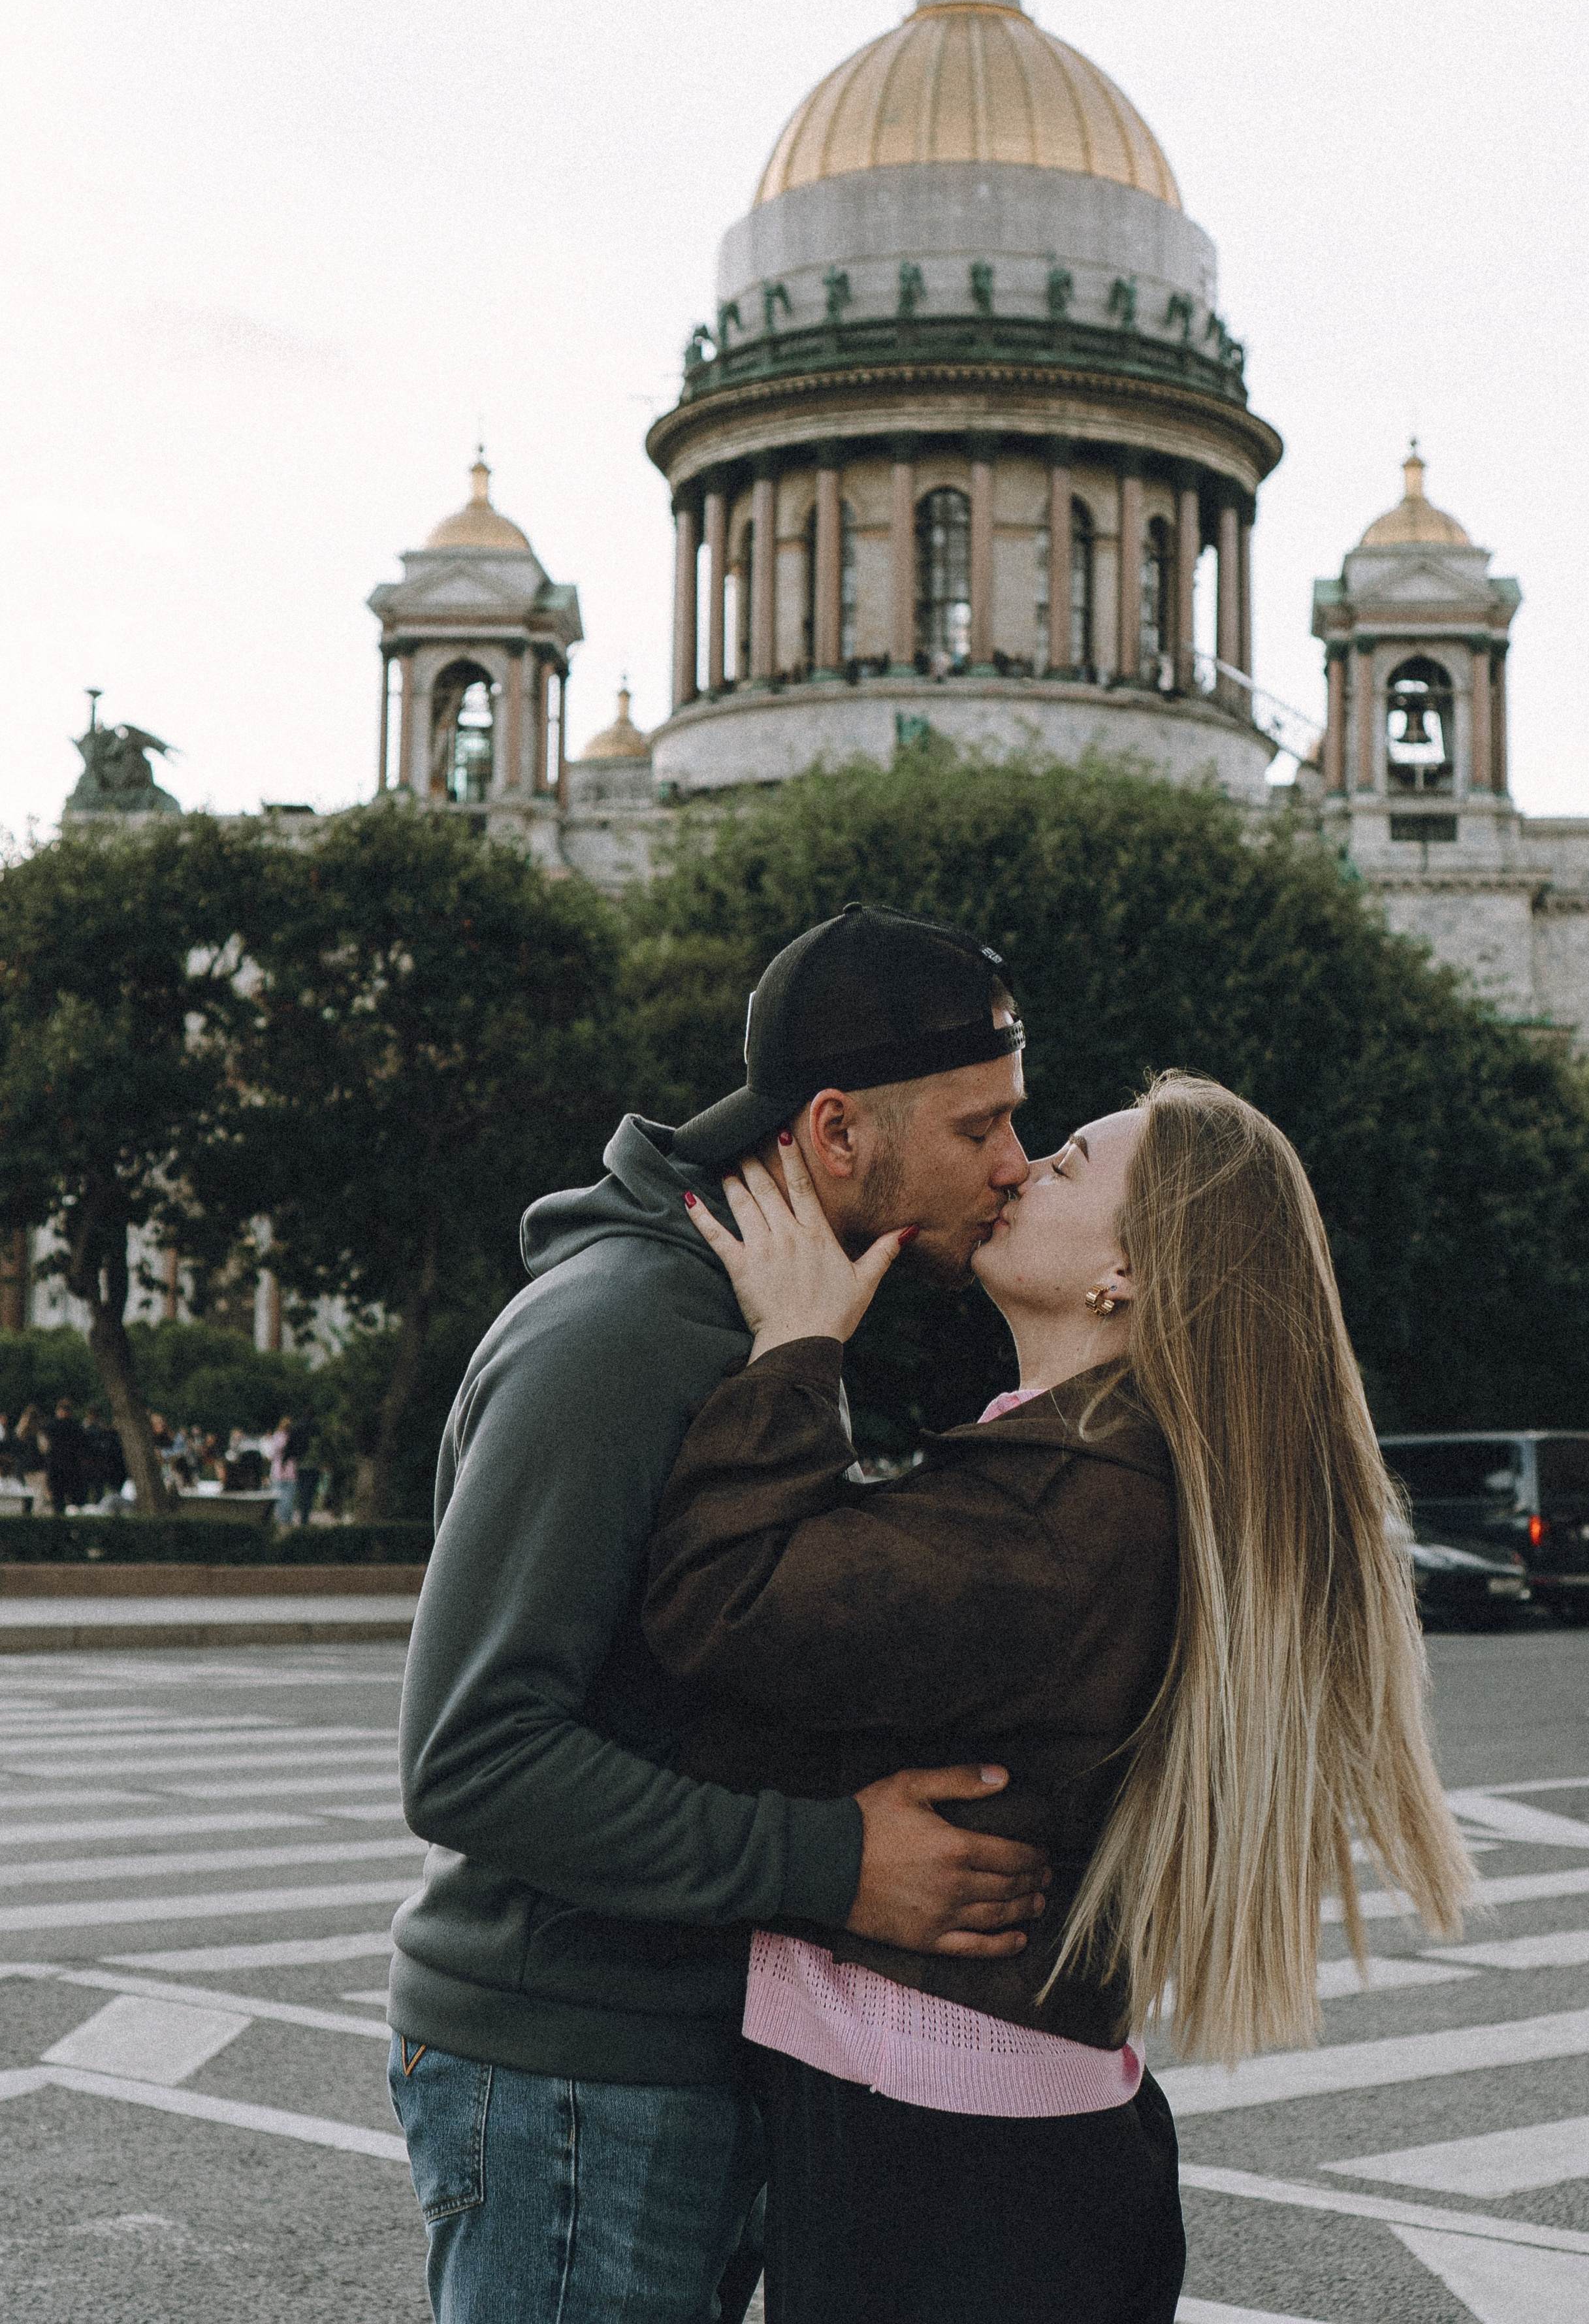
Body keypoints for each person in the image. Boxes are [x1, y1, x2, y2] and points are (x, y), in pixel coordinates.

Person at [647, 1071, 1479, 2324]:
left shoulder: (1059, 1508)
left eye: (1072, 1165)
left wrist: (797, 1346)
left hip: (940, 2166)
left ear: (1130, 1274)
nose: (1021, 1166)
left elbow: (721, 1609)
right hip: (1010, 2139)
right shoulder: (1096, 1469)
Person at [389, 905, 1050, 2324]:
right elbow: (470, 1757)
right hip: (576, 2073)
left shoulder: (765, 1321)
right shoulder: (626, 1331)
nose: (1015, 1168)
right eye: (977, 1128)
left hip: (671, 2053)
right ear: (833, 1133)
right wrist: (832, 1862)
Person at [42, 1400, 84, 1515]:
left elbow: (46, 1449)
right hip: (73, 1468)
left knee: (57, 1501)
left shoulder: (51, 1427)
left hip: (56, 1468)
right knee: (75, 1503)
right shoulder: (77, 1427)